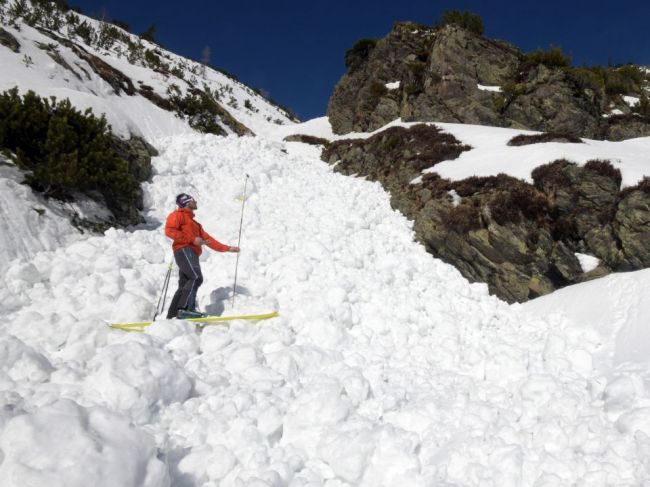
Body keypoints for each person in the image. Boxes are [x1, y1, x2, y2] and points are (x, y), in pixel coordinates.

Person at [164, 193, 239, 319]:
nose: (196, 202)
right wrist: (192, 240)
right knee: (196, 277)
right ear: (187, 203)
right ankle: (186, 310)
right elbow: (169, 231)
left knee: (185, 284)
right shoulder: (177, 215)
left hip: (190, 252)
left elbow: (209, 240)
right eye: (193, 200)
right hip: (184, 250)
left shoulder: (195, 224)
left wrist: (228, 248)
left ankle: (172, 316)